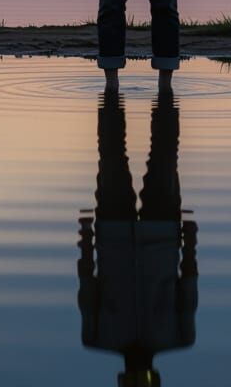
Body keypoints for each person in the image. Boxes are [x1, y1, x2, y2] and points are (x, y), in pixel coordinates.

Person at [76, 84, 198, 386]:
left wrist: (86, 238)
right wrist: (190, 242)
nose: (139, 380)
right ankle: (163, 85)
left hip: (112, 233)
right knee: (165, 154)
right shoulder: (180, 336)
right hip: (163, 234)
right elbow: (188, 284)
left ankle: (114, 85)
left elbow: (88, 285)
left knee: (111, 154)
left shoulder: (96, 337)